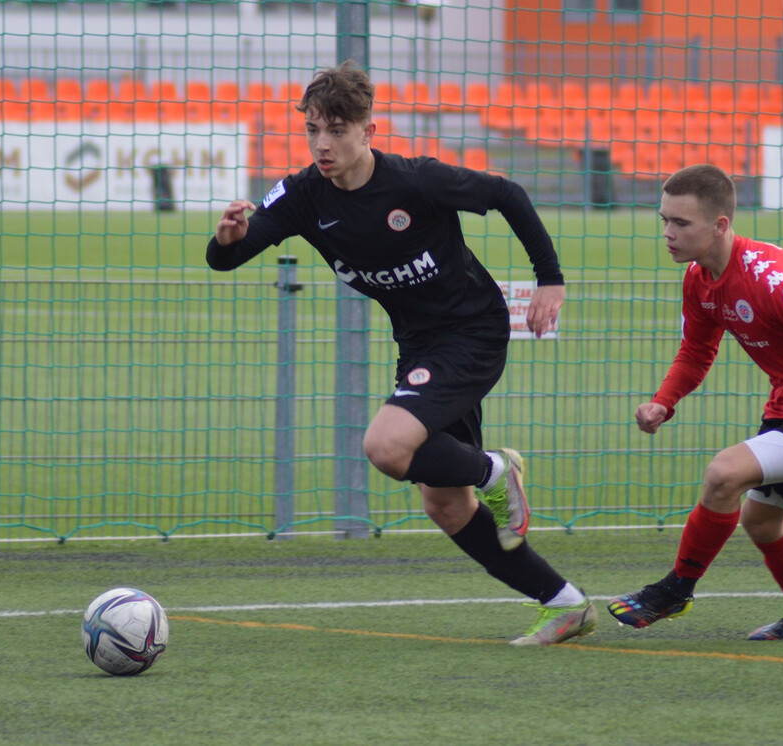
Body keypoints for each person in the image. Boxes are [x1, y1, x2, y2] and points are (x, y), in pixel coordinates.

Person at [206, 61, 596, 646]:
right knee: (443, 501)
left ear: (368, 129)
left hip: (472, 330)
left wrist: (550, 279)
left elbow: (508, 194)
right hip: (420, 344)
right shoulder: (302, 195)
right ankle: (564, 604)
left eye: (337, 129)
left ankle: (497, 468)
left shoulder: (417, 181)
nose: (322, 143)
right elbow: (229, 257)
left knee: (386, 446)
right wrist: (228, 238)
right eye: (313, 129)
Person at [608, 164, 783, 640]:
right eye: (664, 221)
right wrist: (663, 402)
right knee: (762, 521)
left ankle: (675, 590)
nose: (668, 234)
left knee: (723, 474)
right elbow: (696, 351)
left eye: (681, 223)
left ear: (720, 225)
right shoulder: (698, 277)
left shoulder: (772, 280)